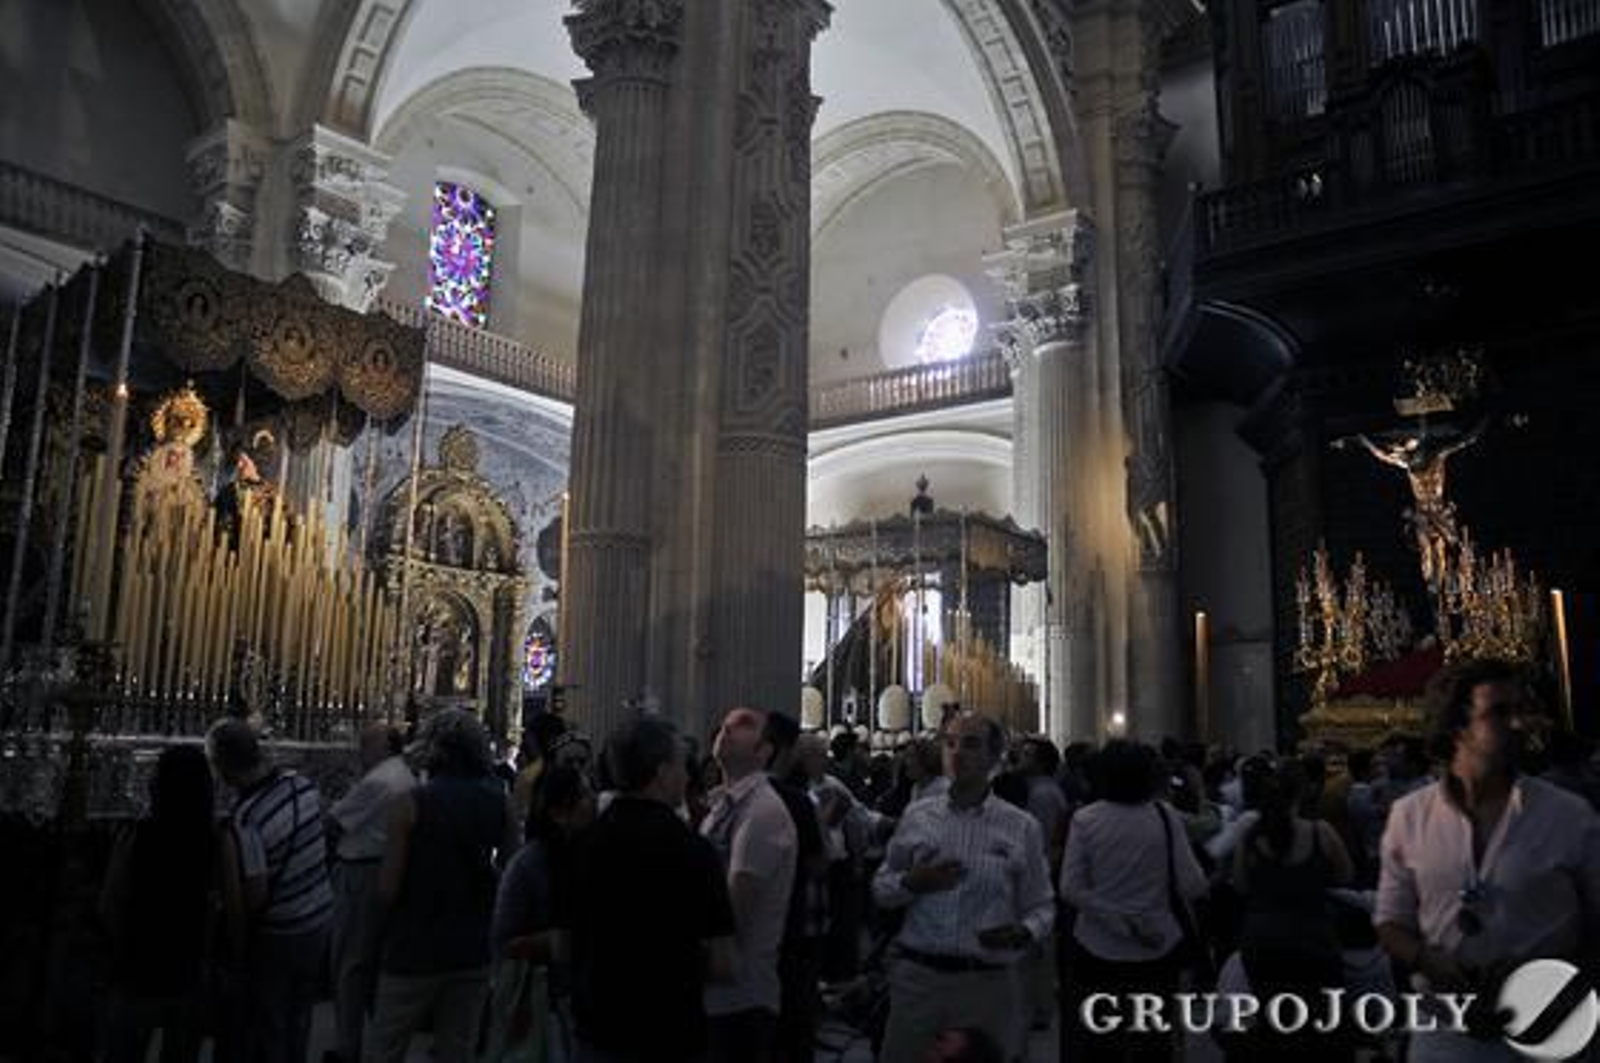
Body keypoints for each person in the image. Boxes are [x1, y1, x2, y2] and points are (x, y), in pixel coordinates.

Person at [1376, 658, 1600, 1063]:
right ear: (1456, 725)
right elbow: (1391, 921)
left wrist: (1548, 976)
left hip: (1551, 1033)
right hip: (1446, 1036)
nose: (1518, 724)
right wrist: (1430, 960)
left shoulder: (1571, 816)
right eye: (1499, 713)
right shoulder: (1409, 815)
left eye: (1522, 710)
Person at [873, 712, 1054, 1063]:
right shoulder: (917, 817)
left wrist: (1024, 931)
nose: (957, 753)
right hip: (918, 981)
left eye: (971, 744)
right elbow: (882, 888)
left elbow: (1043, 905)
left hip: (986, 984)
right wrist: (913, 882)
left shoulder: (1021, 827)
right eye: (950, 743)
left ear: (994, 757)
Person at [569, 715, 737, 1062]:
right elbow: (723, 963)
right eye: (681, 765)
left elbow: (564, 940)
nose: (688, 775)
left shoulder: (582, 845)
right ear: (661, 773)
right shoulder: (695, 851)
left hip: (599, 1025)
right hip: (670, 1029)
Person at [366, 709, 520, 1063]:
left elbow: (388, 887)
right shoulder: (502, 803)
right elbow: (511, 870)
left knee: (386, 1046)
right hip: (472, 946)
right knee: (458, 1049)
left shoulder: (411, 804)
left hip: (413, 944)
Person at [1058, 739, 1208, 1063]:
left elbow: (1070, 888)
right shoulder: (1165, 816)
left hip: (1097, 946)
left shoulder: (1086, 819)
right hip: (1157, 945)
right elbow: (1193, 884)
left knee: (1100, 1043)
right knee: (1153, 1042)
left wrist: (1116, 917)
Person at [209, 718, 334, 1063]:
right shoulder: (303, 786)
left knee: (271, 1022)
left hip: (280, 932)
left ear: (223, 767)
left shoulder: (246, 819)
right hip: (319, 917)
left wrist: (236, 943)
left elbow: (255, 895)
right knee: (301, 1012)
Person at [1228, 757, 1355, 1063]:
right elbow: (1345, 875)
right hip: (1312, 937)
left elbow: (1241, 885)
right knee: (1320, 1023)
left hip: (1263, 939)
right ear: (1302, 793)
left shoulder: (1252, 835)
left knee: (1273, 1023)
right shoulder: (1319, 833)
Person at [98, 745, 219, 1063]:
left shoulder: (137, 836)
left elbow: (110, 901)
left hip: (138, 962)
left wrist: (120, 940)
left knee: (124, 1048)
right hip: (187, 964)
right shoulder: (214, 839)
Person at [700, 707, 798, 1063]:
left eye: (743, 725)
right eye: (725, 722)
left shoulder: (763, 813)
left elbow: (736, 908)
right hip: (715, 992)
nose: (727, 728)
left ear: (763, 751)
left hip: (739, 998)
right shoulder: (723, 804)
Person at [485, 764, 596, 1063]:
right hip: (543, 1001)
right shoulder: (529, 864)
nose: (593, 801)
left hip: (587, 998)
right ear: (559, 812)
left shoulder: (596, 855)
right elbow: (503, 940)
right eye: (584, 795)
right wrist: (553, 941)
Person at [324, 724, 415, 1063]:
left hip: (362, 873)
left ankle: (348, 1047)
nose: (361, 747)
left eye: (368, 742)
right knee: (373, 963)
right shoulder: (403, 775)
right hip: (384, 868)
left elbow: (333, 820)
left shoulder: (380, 780)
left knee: (350, 963)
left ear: (387, 747)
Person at [763, 712, 830, 1063]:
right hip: (793, 928)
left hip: (754, 935)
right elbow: (819, 863)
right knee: (793, 1022)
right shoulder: (796, 802)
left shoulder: (726, 797)